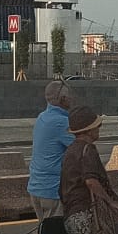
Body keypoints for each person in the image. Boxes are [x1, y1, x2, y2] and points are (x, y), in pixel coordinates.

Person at [60, 105, 118, 234]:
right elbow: (91, 181)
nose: (99, 129)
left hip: (71, 214)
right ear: (88, 130)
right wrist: (111, 203)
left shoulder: (71, 150)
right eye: (96, 126)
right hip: (85, 214)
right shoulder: (88, 150)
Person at [26, 81, 73, 221]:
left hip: (36, 187)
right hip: (53, 190)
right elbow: (80, 147)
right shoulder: (61, 122)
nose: (72, 99)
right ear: (63, 99)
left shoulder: (42, 117)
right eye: (69, 96)